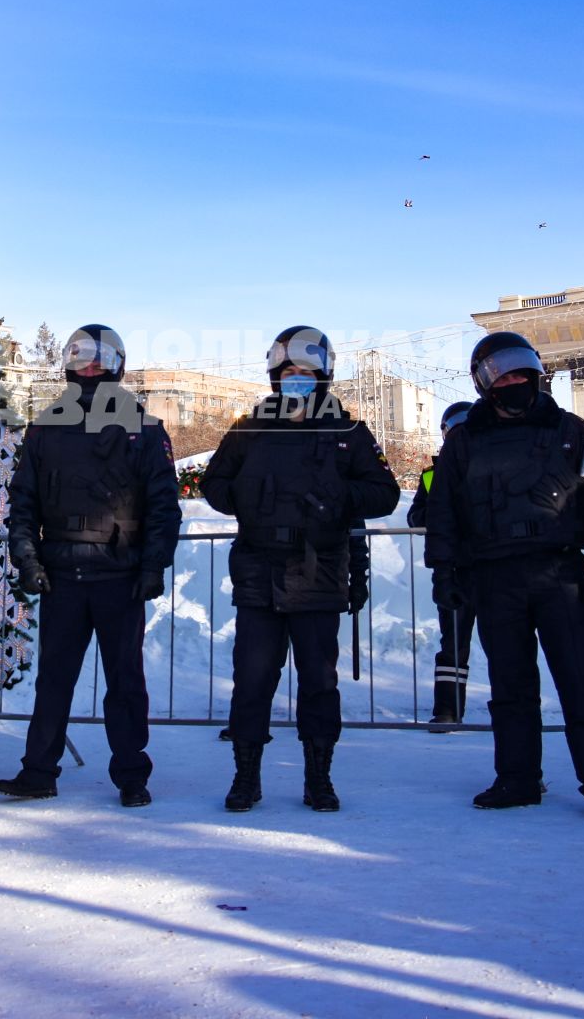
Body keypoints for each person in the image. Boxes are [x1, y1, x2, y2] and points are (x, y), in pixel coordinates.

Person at [425, 331, 584, 814]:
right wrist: (444, 572)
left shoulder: (570, 430)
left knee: (581, 680)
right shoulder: (465, 442)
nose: (516, 381)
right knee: (511, 687)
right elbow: (445, 512)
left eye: (523, 372)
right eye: (504, 374)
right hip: (494, 578)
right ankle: (517, 778)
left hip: (560, 573)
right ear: (484, 383)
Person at [202, 326, 401, 812]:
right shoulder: (249, 429)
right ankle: (245, 777)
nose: (297, 379)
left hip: (320, 573)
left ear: (324, 377)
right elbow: (214, 484)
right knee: (252, 681)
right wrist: (250, 500)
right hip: (258, 573)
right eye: (288, 371)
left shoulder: (348, 432)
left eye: (306, 373)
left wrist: (337, 497)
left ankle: (319, 778)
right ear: (274, 375)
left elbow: (385, 494)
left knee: (319, 682)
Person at [0, 324, 183, 806]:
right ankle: (38, 771)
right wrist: (28, 560)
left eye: (100, 362)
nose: (91, 369)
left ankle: (132, 776)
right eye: (82, 360)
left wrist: (152, 568)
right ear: (68, 365)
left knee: (125, 682)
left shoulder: (144, 428)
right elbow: (23, 504)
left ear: (118, 366)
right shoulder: (45, 428)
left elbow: (164, 507)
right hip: (61, 575)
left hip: (120, 577)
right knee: (53, 682)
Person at [408, 400, 474, 730]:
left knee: (507, 643)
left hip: (492, 568)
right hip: (453, 570)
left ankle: (512, 707)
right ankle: (447, 709)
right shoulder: (432, 476)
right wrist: (443, 510)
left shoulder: (492, 464)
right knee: (454, 644)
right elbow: (415, 516)